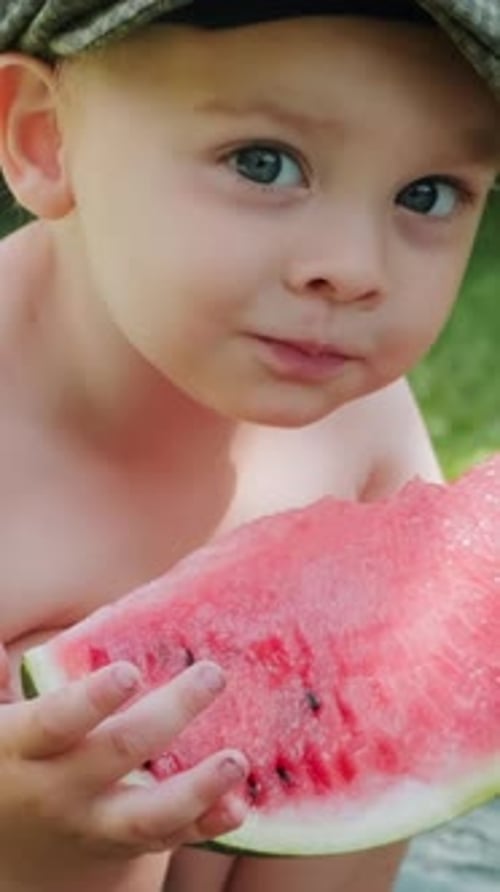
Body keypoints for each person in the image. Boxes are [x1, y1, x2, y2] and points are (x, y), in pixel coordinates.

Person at [0, 1, 498, 890]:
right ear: (45, 142)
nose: (353, 266)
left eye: (428, 193)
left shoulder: (360, 419)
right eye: (264, 164)